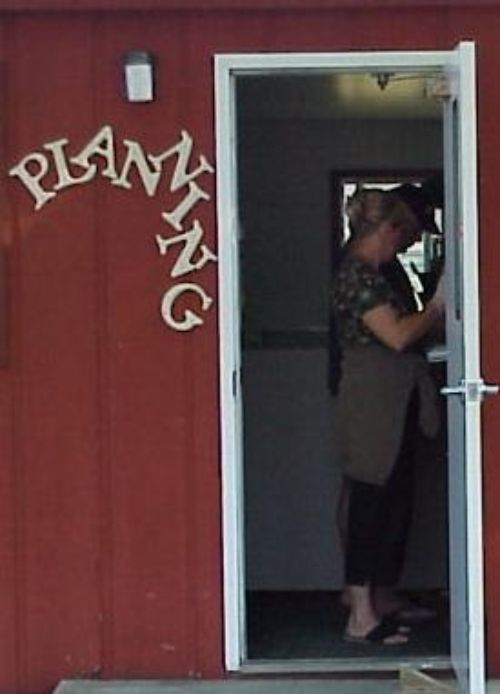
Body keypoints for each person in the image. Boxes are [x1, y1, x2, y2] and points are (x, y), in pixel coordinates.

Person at [331, 188, 444, 644]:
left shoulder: (371, 273)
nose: (402, 246)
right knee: (370, 504)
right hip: (373, 404)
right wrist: (436, 306)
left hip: (389, 403)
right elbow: (396, 335)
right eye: (400, 236)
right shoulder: (359, 277)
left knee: (389, 501)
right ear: (386, 230)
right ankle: (360, 614)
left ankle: (372, 600)